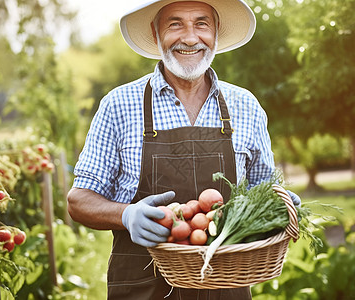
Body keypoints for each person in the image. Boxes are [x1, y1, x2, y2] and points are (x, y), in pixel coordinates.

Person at [67, 0, 302, 299]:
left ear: (216, 32)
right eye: (175, 24)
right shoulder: (118, 105)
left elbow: (264, 190)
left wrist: (280, 204)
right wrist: (126, 215)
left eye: (201, 24)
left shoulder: (246, 107)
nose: (190, 38)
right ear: (156, 33)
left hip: (226, 286)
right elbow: (78, 201)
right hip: (142, 287)